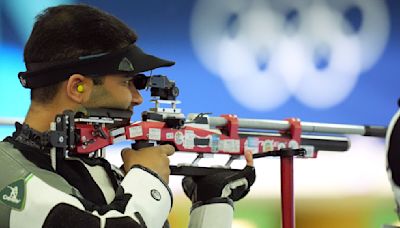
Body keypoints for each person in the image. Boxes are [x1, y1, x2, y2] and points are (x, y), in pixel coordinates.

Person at [0, 4, 256, 228]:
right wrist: (149, 177)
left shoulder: (117, 178)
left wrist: (210, 203)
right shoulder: (5, 171)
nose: (137, 98)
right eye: (127, 82)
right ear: (78, 87)